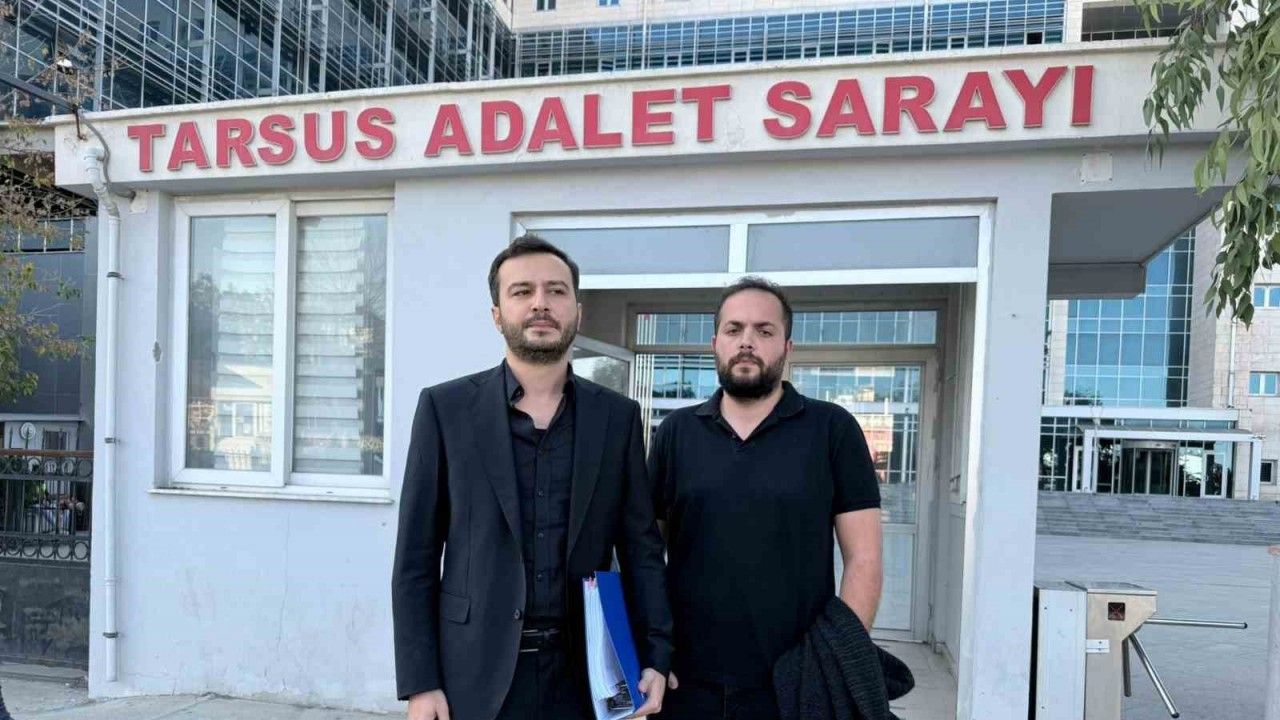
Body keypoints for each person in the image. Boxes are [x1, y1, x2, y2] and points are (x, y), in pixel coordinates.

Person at [392, 235, 671, 720]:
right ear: (497, 314)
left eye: (556, 291)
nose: (541, 303)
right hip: (472, 676)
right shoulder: (445, 409)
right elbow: (415, 558)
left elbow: (641, 550)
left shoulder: (617, 418)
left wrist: (655, 656)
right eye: (522, 291)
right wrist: (421, 683)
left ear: (577, 312)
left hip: (586, 677)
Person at [649, 276, 884, 720]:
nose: (747, 341)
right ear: (715, 343)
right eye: (734, 329)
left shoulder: (832, 429)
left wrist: (833, 663)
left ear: (787, 347)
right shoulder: (676, 433)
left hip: (793, 685)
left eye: (764, 330)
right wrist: (651, 649)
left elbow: (864, 559)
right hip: (687, 682)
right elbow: (646, 554)